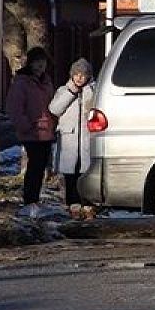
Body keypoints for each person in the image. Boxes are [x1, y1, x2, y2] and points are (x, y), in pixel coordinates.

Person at [5, 47, 56, 212]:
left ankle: (35, 199)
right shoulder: (22, 82)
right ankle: (29, 200)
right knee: (34, 166)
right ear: (31, 63)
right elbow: (14, 108)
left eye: (43, 62)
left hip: (46, 130)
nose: (40, 65)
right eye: (37, 61)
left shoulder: (47, 81)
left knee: (40, 166)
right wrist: (26, 126)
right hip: (31, 132)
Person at [49, 59, 96, 220]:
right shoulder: (64, 90)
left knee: (86, 172)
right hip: (69, 136)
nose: (79, 78)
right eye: (76, 74)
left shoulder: (94, 90)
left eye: (83, 75)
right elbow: (54, 109)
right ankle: (73, 203)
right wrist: (71, 92)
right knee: (70, 174)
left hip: (87, 137)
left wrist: (89, 93)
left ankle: (88, 203)